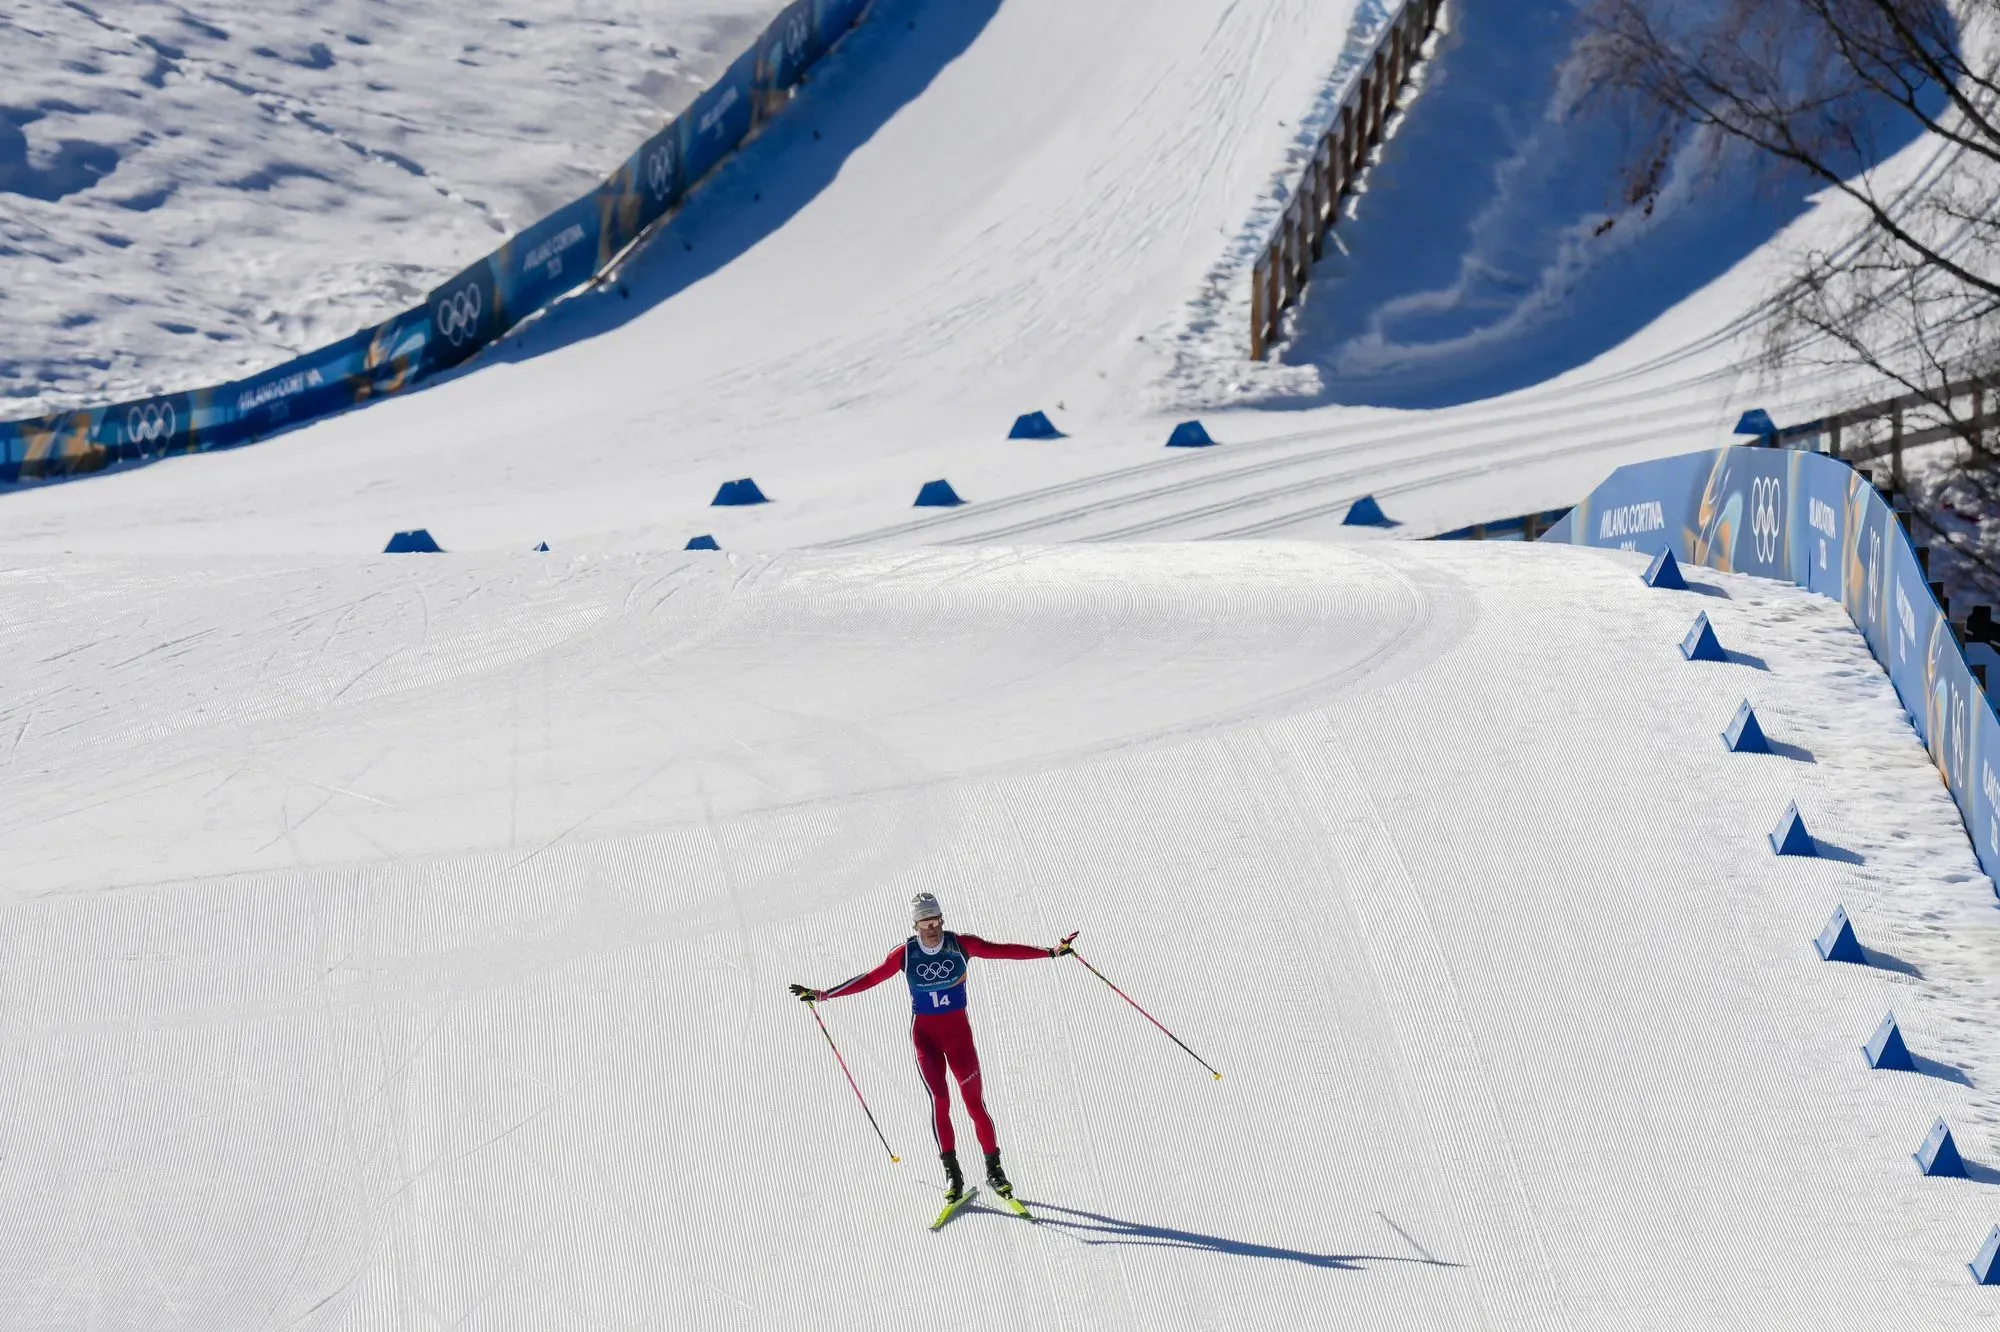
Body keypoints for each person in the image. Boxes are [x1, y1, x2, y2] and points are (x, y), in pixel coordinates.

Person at [791, 893, 1074, 1203]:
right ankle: (953, 1175)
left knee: (974, 1103)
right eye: (926, 922)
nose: (933, 927)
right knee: (940, 1100)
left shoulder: (960, 945)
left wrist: (1051, 952)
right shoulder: (905, 954)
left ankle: (995, 1170)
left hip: (959, 1039)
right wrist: (823, 995)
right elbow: (870, 979)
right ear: (915, 925)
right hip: (926, 1039)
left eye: (937, 920)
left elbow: (1002, 950)